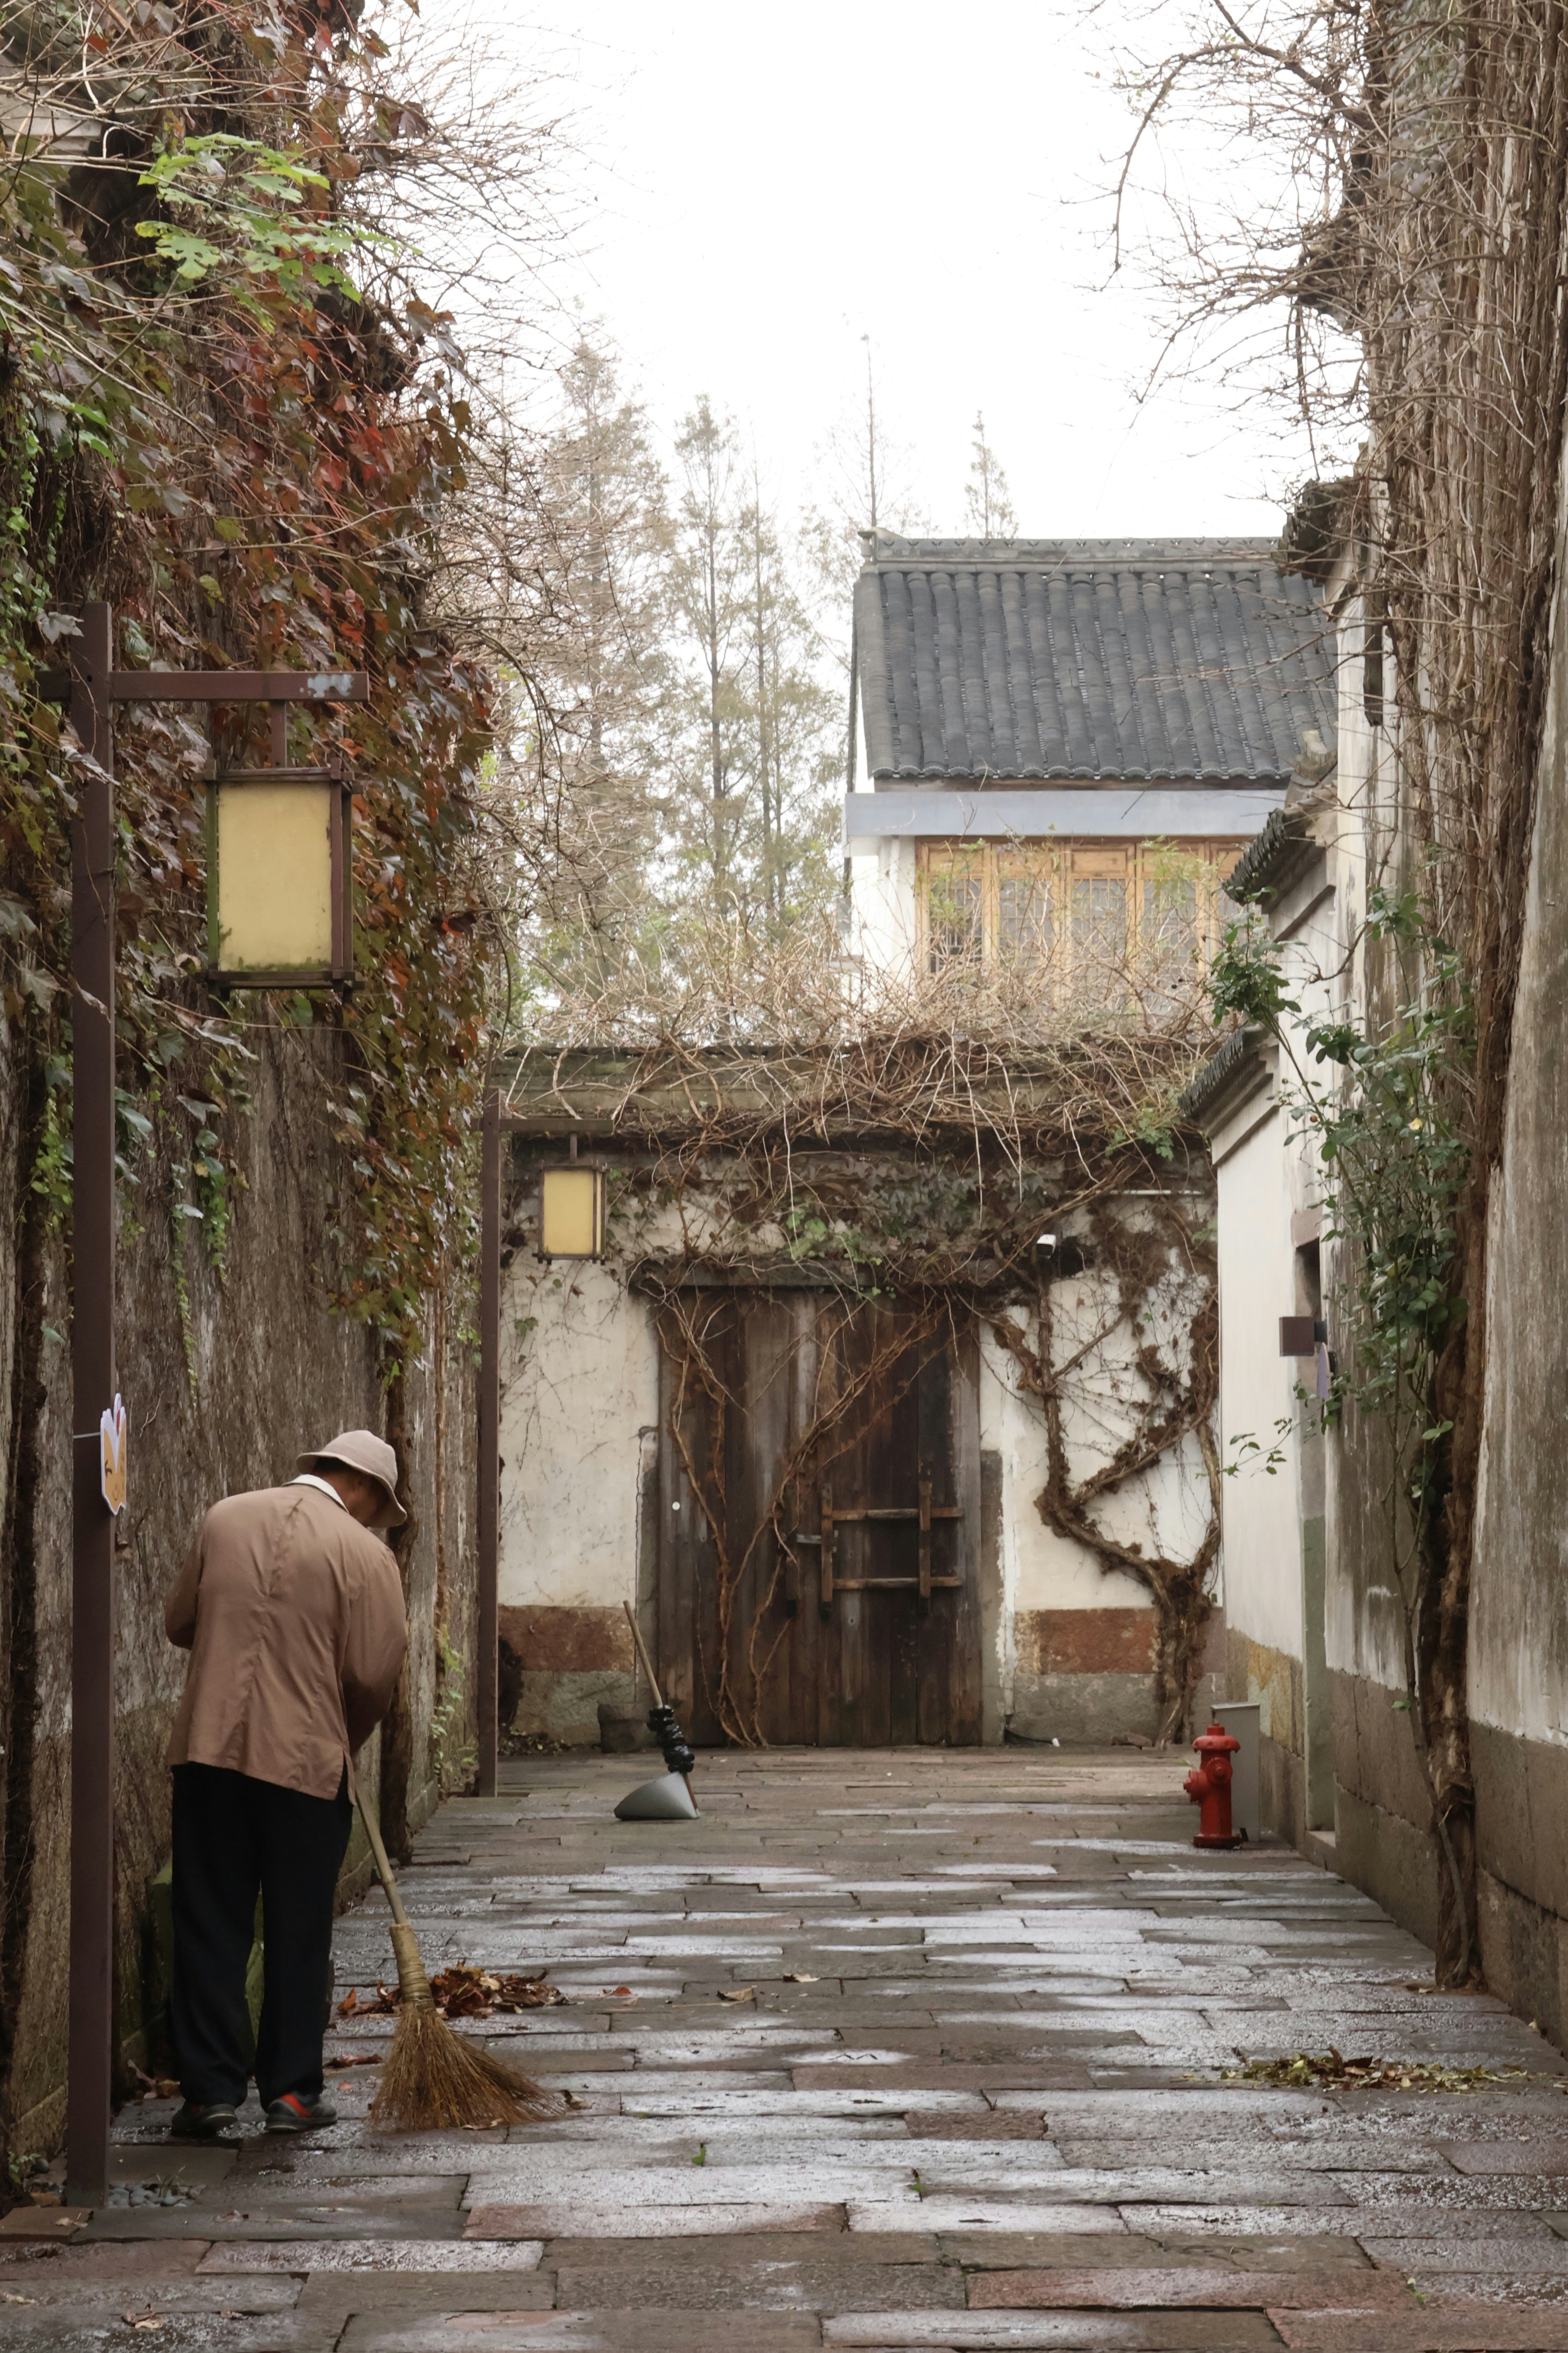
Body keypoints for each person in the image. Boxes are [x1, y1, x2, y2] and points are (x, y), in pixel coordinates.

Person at [162, 1430, 409, 2140]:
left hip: (208, 1754)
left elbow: (180, 1623)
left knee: (209, 1919)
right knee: (299, 1931)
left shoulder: (224, 1516)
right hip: (305, 1765)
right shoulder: (367, 1556)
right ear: (363, 1487)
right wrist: (342, 1739)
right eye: (377, 1506)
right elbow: (371, 1677)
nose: (371, 1518)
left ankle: (208, 2094)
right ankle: (292, 2094)